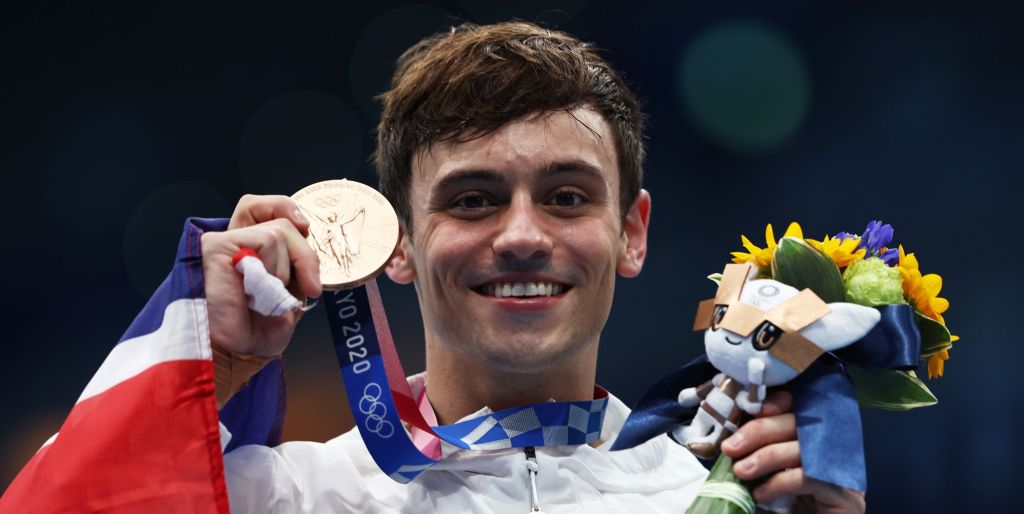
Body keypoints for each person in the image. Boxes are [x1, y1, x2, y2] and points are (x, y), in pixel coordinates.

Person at [98, 21, 869, 513]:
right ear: (397, 243)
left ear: (632, 234)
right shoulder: (287, 495)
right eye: (472, 201)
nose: (523, 236)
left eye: (567, 196)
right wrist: (215, 363)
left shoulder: (716, 498)